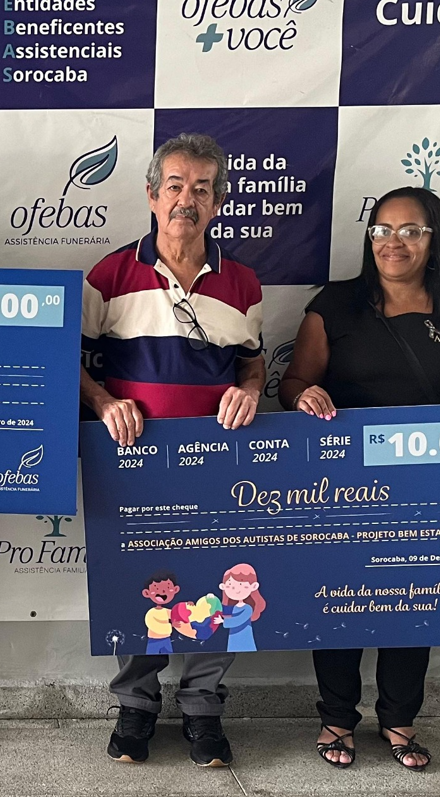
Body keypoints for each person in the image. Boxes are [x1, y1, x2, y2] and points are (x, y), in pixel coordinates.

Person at [279, 185, 440, 772]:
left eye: (410, 230)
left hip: (429, 485)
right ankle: (336, 718)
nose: (393, 242)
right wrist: (304, 395)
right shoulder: (335, 305)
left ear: (434, 238)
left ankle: (400, 719)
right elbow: (292, 383)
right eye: (382, 230)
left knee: (413, 600)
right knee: (339, 600)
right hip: (343, 484)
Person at [82, 133, 264, 767]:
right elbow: (67, 359)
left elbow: (253, 364)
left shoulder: (244, 283)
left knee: (222, 581)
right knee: (140, 582)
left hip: (217, 462)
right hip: (131, 460)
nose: (187, 199)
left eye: (202, 189)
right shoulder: (109, 275)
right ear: (152, 195)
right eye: (176, 186)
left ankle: (203, 705)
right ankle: (136, 702)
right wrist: (103, 402)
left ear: (218, 202)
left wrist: (250, 390)